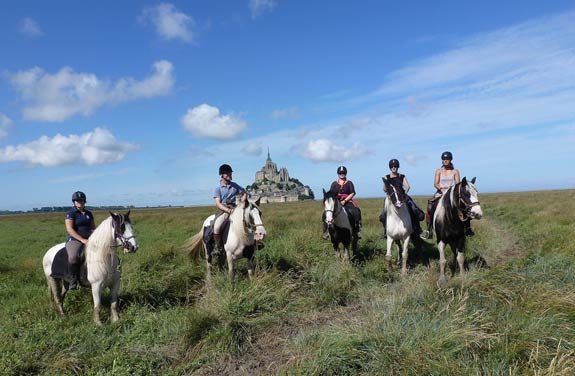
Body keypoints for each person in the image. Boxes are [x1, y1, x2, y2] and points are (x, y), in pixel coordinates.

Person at [420, 151, 474, 239]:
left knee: (463, 205)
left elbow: (458, 184)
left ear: (450, 160)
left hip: (452, 194)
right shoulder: (438, 171)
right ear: (442, 160)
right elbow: (435, 183)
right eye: (444, 159)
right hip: (441, 192)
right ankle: (429, 229)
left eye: (447, 159)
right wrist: (441, 189)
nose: (445, 160)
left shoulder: (455, 171)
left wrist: (451, 191)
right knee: (430, 206)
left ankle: (468, 228)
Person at [380, 159, 424, 237]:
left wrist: (403, 195)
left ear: (398, 167)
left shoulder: (401, 176)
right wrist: (390, 193)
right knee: (384, 213)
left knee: (413, 208)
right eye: (392, 166)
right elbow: (384, 189)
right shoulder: (386, 177)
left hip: (402, 196)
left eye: (395, 166)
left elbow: (407, 187)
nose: (394, 167)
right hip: (391, 197)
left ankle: (417, 227)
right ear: (390, 167)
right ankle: (386, 230)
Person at [213, 163, 247, 255]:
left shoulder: (235, 185)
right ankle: (218, 247)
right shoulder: (218, 188)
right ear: (222, 175)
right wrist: (227, 210)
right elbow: (217, 203)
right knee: (216, 226)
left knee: (248, 221)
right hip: (224, 210)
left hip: (235, 209)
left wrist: (242, 202)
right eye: (227, 174)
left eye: (230, 173)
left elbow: (244, 193)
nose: (229, 175)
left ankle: (254, 243)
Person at [65, 191, 95, 289]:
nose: (80, 202)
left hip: (89, 239)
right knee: (73, 257)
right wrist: (82, 239)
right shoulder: (71, 213)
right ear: (74, 202)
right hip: (74, 239)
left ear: (84, 201)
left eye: (81, 200)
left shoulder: (89, 213)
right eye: (77, 201)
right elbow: (69, 229)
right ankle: (73, 280)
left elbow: (93, 228)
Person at [322, 165, 362, 239]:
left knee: (356, 211)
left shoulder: (349, 183)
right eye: (340, 173)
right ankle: (326, 231)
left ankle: (357, 230)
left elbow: (353, 193)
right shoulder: (334, 183)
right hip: (336, 202)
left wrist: (345, 200)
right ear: (338, 174)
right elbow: (331, 194)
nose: (342, 174)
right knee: (326, 213)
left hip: (347, 201)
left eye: (343, 173)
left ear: (345, 173)